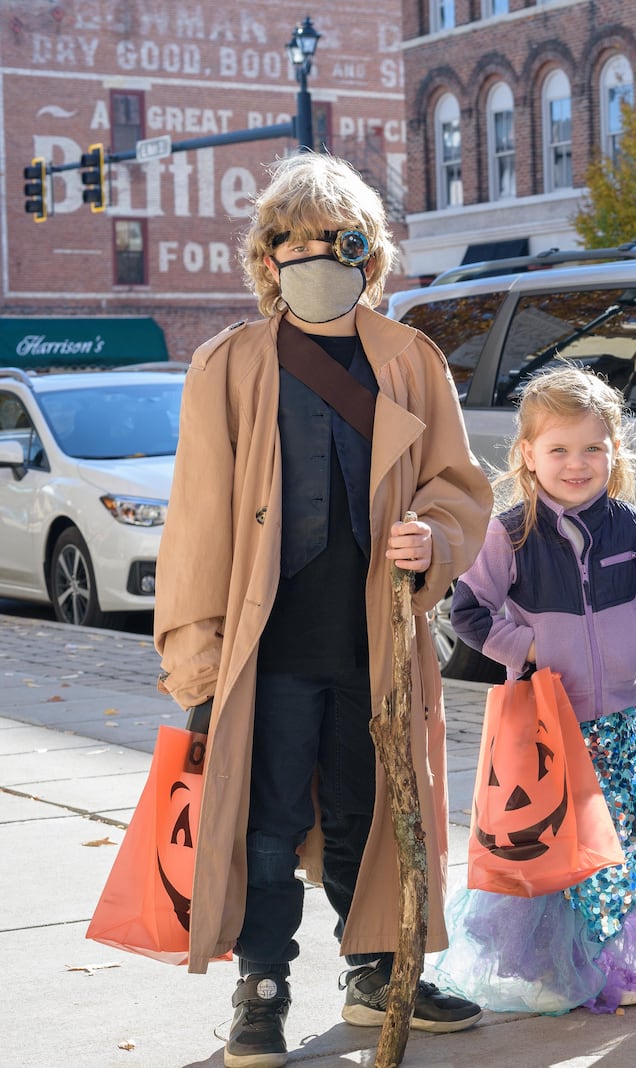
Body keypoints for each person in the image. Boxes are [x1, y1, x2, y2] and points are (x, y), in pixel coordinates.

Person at [154, 153, 495, 1068]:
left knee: (372, 808)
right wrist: (196, 666)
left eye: (337, 239)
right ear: (266, 259)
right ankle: (261, 986)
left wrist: (435, 542)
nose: (314, 255)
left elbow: (460, 488)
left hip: (375, 643)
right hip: (266, 648)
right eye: (290, 240)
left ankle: (379, 969)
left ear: (370, 252)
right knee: (264, 822)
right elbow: (193, 526)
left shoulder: (411, 358)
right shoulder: (226, 366)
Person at [431, 365, 636, 1015]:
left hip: (615, 720)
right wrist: (528, 650)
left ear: (615, 452)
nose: (576, 463)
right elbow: (469, 612)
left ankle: (617, 962)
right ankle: (555, 966)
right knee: (554, 848)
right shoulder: (510, 534)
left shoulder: (632, 528)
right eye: (558, 449)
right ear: (528, 455)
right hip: (545, 726)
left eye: (592, 448)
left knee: (622, 841)